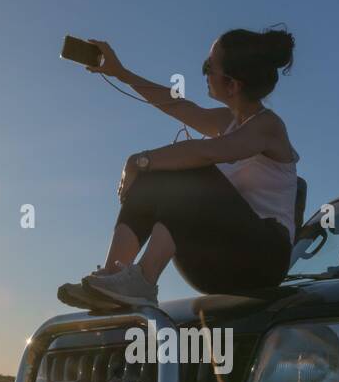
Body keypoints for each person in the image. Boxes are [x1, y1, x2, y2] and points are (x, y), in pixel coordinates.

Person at [59, 27, 299, 308]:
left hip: (262, 260)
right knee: (160, 173)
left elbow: (207, 153)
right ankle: (114, 278)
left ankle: (142, 282)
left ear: (232, 85)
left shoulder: (268, 126)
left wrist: (140, 160)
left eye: (208, 67)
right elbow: (175, 104)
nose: (204, 73)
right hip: (219, 257)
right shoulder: (229, 121)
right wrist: (120, 73)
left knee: (189, 169)